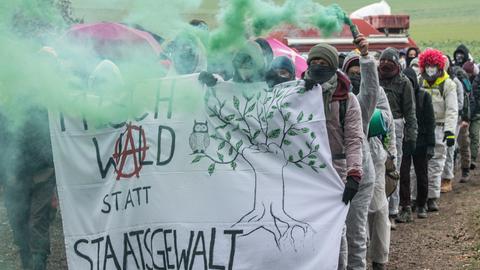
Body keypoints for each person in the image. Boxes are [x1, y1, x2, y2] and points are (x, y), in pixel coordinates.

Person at [303, 43, 364, 270]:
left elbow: (354, 140)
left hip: (335, 170)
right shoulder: (298, 93)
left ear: (333, 66)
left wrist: (354, 174)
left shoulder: (347, 100)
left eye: (323, 63)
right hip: (306, 171)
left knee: (336, 229)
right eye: (313, 63)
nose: (317, 67)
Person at [340, 35, 381, 270]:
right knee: (337, 233)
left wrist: (365, 58)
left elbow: (371, 89)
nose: (355, 75)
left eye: (359, 72)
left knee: (355, 232)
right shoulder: (328, 100)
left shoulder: (360, 104)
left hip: (362, 177)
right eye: (351, 71)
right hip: (335, 176)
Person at [378, 48, 418, 228]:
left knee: (393, 169)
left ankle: (392, 212)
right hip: (375, 123)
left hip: (397, 126)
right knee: (376, 170)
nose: (386, 65)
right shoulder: (374, 79)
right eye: (383, 61)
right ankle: (379, 212)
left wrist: (411, 137)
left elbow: (410, 112)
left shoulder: (404, 82)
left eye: (390, 62)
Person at [418, 49, 458, 211]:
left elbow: (452, 109)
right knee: (418, 164)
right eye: (427, 65)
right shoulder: (420, 82)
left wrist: (450, 132)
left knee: (436, 164)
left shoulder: (448, 84)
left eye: (433, 65)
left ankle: (432, 197)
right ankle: (416, 197)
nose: (430, 69)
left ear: (440, 66)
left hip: (440, 128)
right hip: (422, 128)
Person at [397, 67, 436, 221]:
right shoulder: (400, 95)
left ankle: (421, 204)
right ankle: (405, 205)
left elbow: (430, 121)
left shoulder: (424, 96)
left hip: (421, 142)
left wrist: (431, 144)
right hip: (405, 141)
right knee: (404, 175)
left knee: (422, 174)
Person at [441, 56, 466, 190]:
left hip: (453, 119)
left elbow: (460, 102)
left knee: (449, 149)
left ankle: (447, 178)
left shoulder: (454, 82)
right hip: (438, 120)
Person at [466, 61, 480, 170]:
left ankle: (473, 159)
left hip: (476, 113)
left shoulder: (476, 79)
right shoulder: (462, 81)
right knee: (465, 138)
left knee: (474, 136)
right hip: (467, 113)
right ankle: (467, 160)